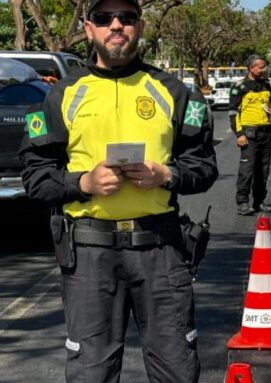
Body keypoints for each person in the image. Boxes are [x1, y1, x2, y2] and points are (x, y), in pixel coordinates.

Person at [18, 0, 217, 382]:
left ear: (139, 27)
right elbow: (36, 176)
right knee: (90, 373)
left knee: (177, 368)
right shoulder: (61, 96)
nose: (116, 25)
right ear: (89, 29)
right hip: (90, 255)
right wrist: (82, 183)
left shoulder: (174, 92)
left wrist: (167, 175)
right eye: (103, 18)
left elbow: (204, 166)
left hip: (161, 249)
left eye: (126, 18)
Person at [228, 54, 271, 215]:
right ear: (251, 68)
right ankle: (242, 202)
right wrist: (239, 134)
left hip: (265, 133)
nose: (264, 70)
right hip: (249, 135)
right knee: (247, 170)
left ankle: (259, 201)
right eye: (260, 67)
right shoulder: (240, 87)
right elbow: (232, 112)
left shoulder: (265, 84)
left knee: (263, 170)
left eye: (264, 66)